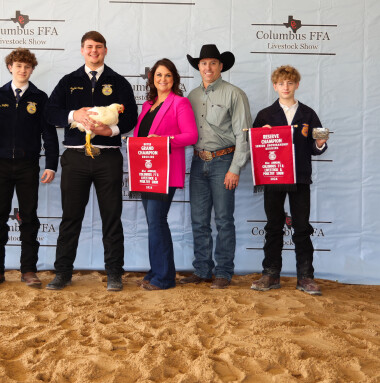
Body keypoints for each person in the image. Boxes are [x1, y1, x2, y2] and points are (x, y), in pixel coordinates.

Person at [44, 31, 137, 291]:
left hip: (108, 158)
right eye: (88, 47)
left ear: (105, 50)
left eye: (98, 47)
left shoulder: (118, 82)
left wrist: (112, 131)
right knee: (70, 217)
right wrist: (75, 114)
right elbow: (51, 113)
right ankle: (62, 272)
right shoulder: (68, 81)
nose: (93, 51)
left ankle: (115, 273)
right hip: (75, 157)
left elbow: (130, 118)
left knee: (112, 217)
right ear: (82, 50)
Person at [0, 48, 59, 290]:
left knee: (29, 218)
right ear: (9, 68)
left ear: (32, 69)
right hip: (1, 164)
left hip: (28, 165)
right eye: (18, 66)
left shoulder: (40, 97)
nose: (22, 70)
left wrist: (51, 165)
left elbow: (49, 134)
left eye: (27, 66)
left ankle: (28, 270)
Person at [251, 65, 327, 295]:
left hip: (300, 177)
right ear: (275, 86)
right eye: (281, 83)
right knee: (273, 226)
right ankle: (271, 273)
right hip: (273, 177)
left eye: (290, 83)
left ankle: (305, 277)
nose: (286, 87)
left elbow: (316, 147)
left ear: (297, 85)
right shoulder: (265, 115)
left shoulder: (308, 114)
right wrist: (260, 134)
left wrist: (321, 142)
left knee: (302, 227)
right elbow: (255, 148)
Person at [181, 44, 252, 289]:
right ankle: (202, 270)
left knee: (223, 220)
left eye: (213, 63)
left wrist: (235, 167)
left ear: (221, 66)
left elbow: (243, 134)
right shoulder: (192, 96)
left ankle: (223, 271)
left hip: (224, 161)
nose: (208, 67)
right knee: (199, 220)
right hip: (198, 160)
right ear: (198, 67)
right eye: (203, 63)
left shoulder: (234, 94)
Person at [134, 59, 198, 290]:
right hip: (147, 170)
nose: (163, 79)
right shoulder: (147, 105)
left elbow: (191, 136)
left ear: (174, 79)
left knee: (157, 221)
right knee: (153, 222)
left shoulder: (180, 103)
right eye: (159, 75)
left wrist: (165, 141)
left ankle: (165, 277)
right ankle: (156, 270)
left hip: (166, 171)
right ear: (152, 78)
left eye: (168, 75)